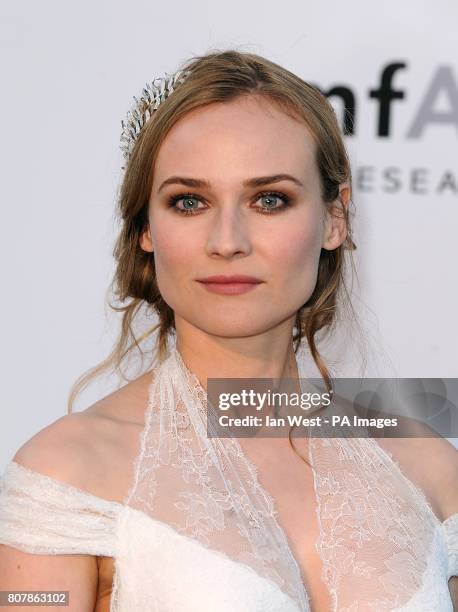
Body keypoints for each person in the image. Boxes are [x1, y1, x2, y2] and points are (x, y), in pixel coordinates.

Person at [0, 49, 457, 612]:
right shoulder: (68, 470)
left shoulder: (428, 464)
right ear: (146, 227)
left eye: (270, 199)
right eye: (189, 202)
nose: (226, 240)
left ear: (335, 218)